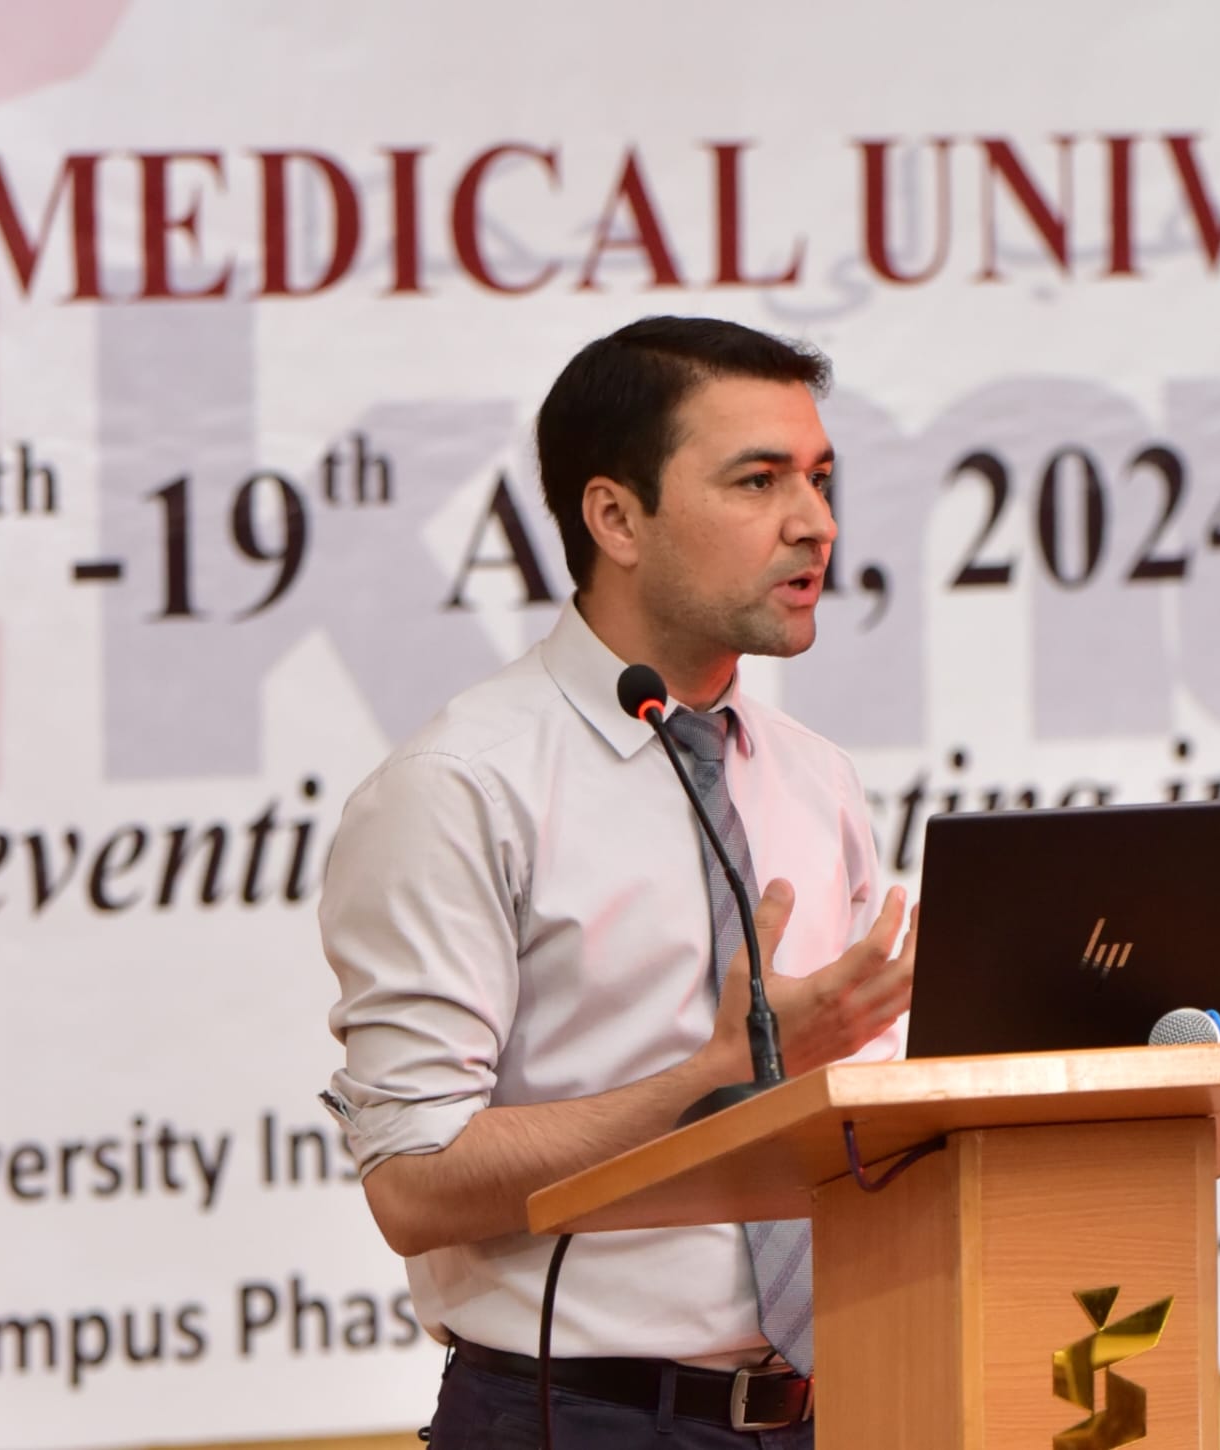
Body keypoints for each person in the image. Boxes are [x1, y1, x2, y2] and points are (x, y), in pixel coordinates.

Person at [319, 316, 917, 1448]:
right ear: (615, 518)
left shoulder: (814, 777)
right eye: (759, 480)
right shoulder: (460, 786)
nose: (816, 523)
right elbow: (414, 1182)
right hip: (577, 1417)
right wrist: (716, 1078)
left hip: (835, 1407)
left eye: (820, 477)